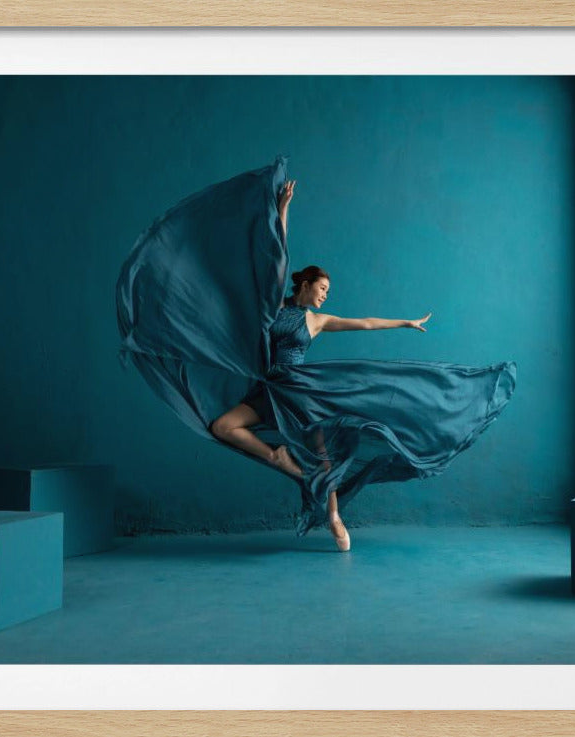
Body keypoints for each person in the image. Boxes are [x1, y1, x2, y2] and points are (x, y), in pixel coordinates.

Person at [116, 155, 516, 552]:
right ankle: (278, 457)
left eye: (326, 292)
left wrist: (405, 323)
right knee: (223, 427)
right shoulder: (273, 308)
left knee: (325, 461)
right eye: (321, 288)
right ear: (304, 284)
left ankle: (335, 519)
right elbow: (275, 256)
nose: (325, 295)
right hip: (269, 389)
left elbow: (363, 323)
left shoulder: (317, 321)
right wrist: (282, 210)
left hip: (303, 392)